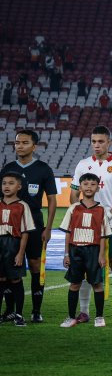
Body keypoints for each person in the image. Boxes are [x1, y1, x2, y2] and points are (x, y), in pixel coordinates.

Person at [70, 126, 112, 324]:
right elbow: (73, 194)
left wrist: (108, 215)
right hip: (86, 225)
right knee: (85, 266)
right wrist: (82, 213)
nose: (96, 145)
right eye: (94, 141)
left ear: (109, 142)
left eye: (101, 141)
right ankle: (84, 311)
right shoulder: (83, 165)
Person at [0, 130, 57, 323]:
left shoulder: (43, 169)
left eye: (25, 143)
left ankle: (36, 310)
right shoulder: (8, 168)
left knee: (34, 265)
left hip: (34, 225)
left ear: (34, 146)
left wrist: (48, 228)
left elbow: (52, 200)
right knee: (7, 267)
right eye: (17, 143)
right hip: (9, 226)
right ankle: (10, 311)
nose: (20, 146)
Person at [59, 173, 112, 328]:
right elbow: (68, 232)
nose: (89, 187)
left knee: (97, 284)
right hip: (75, 250)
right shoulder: (73, 208)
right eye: (86, 184)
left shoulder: (101, 209)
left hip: (93, 251)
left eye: (93, 184)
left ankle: (99, 317)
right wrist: (66, 254)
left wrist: (101, 255)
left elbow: (103, 235)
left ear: (98, 188)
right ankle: (71, 317)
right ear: (80, 187)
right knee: (74, 284)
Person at [0, 172, 36, 326]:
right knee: (1, 279)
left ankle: (19, 315)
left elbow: (25, 232)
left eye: (11, 183)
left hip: (13, 244)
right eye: (4, 183)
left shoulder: (22, 206)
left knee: (15, 279)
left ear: (19, 186)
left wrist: (21, 253)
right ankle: (5, 313)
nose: (6, 186)